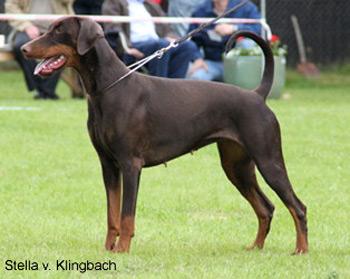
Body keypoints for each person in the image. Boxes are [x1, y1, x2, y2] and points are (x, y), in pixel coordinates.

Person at [102, 0, 198, 79]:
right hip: (134, 46)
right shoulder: (113, 3)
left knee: (187, 46)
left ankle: (176, 86)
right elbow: (113, 30)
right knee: (162, 45)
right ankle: (159, 88)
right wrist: (126, 49)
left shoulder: (151, 5)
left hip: (158, 42)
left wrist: (171, 37)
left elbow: (167, 28)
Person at [5, 0, 74, 99]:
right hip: (27, 29)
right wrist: (26, 26)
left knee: (62, 49)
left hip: (57, 29)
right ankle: (42, 89)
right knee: (20, 46)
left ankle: (46, 90)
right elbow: (11, 6)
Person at [187, 0, 261, 81]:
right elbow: (191, 40)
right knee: (196, 77)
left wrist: (234, 28)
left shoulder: (245, 6)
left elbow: (258, 29)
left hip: (239, 65)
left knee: (247, 43)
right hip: (213, 63)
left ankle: (248, 84)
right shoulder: (201, 10)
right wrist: (197, 58)